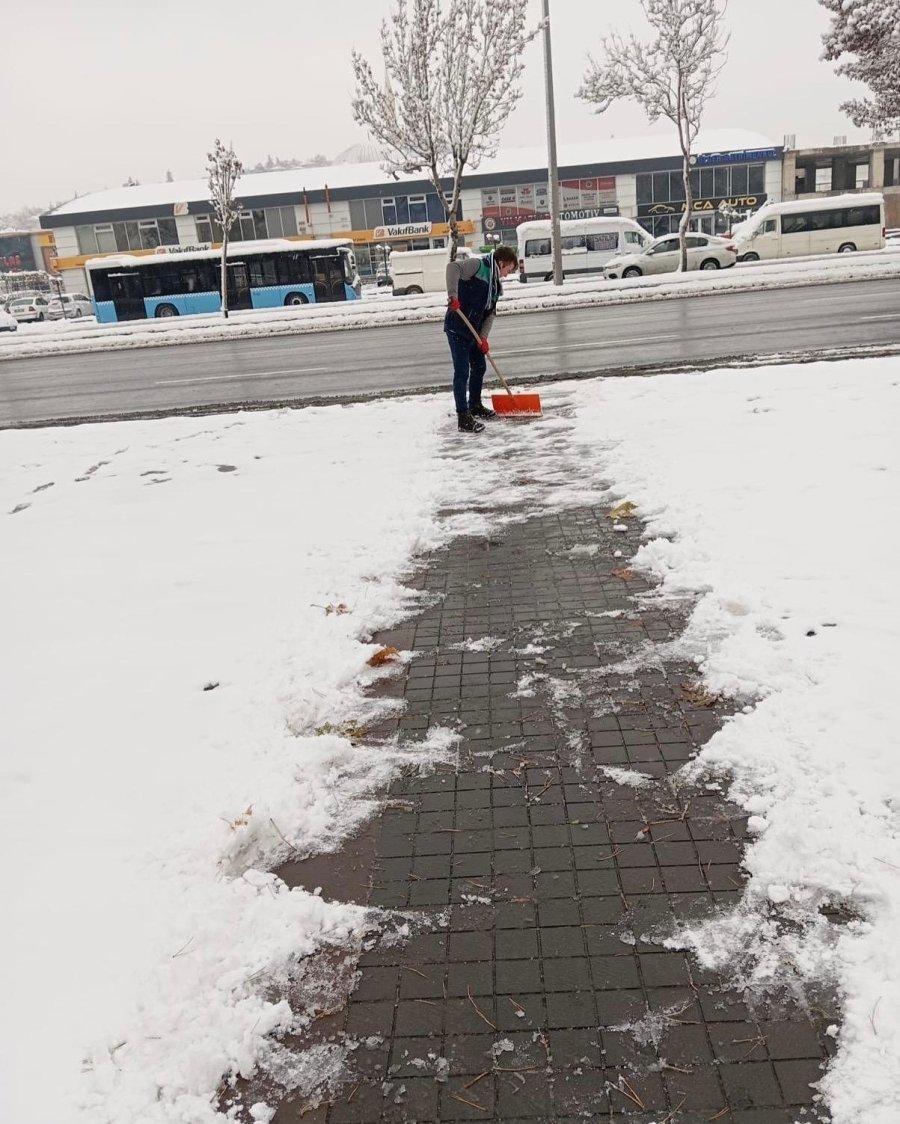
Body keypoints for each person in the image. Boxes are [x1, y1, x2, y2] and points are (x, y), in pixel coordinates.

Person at [445, 244, 518, 433]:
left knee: (479, 366)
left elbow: (490, 313)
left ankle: (475, 405)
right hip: (458, 327)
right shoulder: (478, 266)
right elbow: (452, 268)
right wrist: (453, 295)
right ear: (501, 263)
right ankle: (463, 417)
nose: (507, 275)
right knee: (462, 372)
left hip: (474, 332)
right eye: (508, 270)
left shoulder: (495, 286)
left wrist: (483, 338)